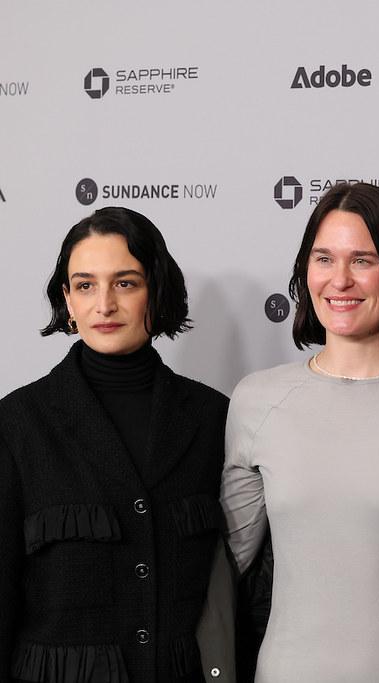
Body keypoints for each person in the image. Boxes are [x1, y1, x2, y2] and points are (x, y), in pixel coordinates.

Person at [219, 182, 379, 683]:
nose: (340, 280)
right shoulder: (257, 400)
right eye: (324, 259)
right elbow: (224, 567)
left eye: (363, 260)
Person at [0, 207, 230, 682]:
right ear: (67, 300)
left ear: (156, 290)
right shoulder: (17, 422)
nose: (104, 305)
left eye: (125, 283)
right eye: (85, 285)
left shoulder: (213, 417)